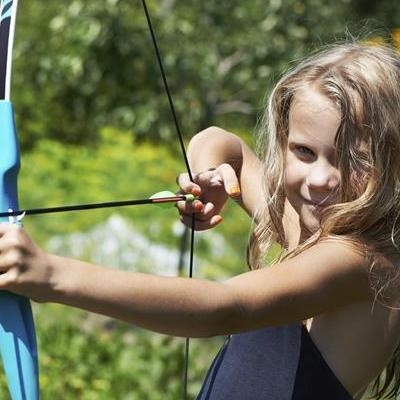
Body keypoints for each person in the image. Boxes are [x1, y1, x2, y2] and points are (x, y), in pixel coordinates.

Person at [0, 42, 400, 399]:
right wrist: (208, 175)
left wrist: (53, 276)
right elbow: (224, 143)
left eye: (356, 159)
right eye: (304, 152)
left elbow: (226, 307)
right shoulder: (308, 226)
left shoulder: (366, 261)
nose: (320, 179)